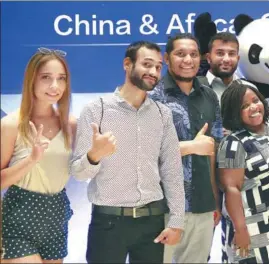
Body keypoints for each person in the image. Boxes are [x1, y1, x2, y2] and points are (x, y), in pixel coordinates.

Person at [70, 41, 185, 263]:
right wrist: (94, 155)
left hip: (152, 223)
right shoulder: (96, 110)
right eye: (147, 64)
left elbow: (172, 170)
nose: (153, 72)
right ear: (127, 64)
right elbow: (78, 173)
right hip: (109, 223)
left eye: (158, 67)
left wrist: (176, 221)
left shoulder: (163, 114)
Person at [149, 33, 223, 263]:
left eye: (193, 54)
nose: (188, 60)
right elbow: (142, 152)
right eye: (180, 54)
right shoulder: (151, 97)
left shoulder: (209, 96)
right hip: (161, 208)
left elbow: (210, 152)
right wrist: (190, 147)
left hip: (202, 204)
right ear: (167, 58)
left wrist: (214, 199)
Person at [1, 47, 76, 263]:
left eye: (61, 79)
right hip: (19, 216)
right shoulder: (11, 125)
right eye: (46, 78)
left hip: (56, 215)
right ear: (31, 80)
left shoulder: (71, 124)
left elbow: (82, 168)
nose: (55, 86)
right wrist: (32, 159)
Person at [217, 80, 269, 263]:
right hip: (253, 227)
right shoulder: (233, 143)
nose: (253, 107)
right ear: (234, 113)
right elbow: (231, 189)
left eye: (255, 100)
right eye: (244, 106)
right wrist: (240, 230)